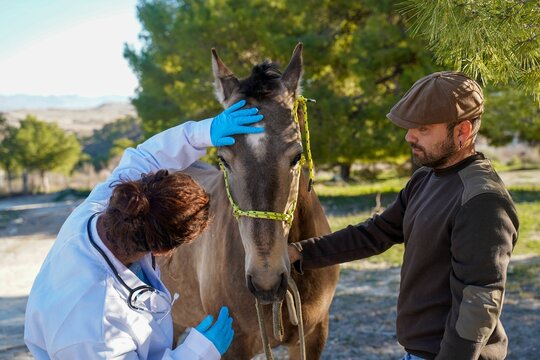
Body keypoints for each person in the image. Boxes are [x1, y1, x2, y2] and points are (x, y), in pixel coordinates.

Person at [288, 72, 519, 360]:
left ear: (462, 131)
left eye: (423, 129)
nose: (409, 137)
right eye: (410, 128)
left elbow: (479, 303)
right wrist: (299, 253)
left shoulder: (482, 200)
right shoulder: (425, 179)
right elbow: (375, 234)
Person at [24, 100, 264, 359]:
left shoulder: (107, 204)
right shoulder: (92, 322)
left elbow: (146, 157)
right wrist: (196, 352)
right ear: (163, 249)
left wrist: (205, 132)